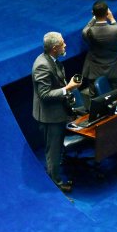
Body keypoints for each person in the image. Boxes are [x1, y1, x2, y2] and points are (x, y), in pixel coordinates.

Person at [32, 32, 82, 192]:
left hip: (58, 112)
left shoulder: (53, 60)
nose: (65, 45)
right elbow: (45, 95)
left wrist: (67, 86)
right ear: (55, 48)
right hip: (49, 117)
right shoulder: (42, 65)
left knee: (56, 148)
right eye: (62, 43)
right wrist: (68, 89)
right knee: (53, 151)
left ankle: (54, 174)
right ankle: (57, 184)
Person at [80, 0, 117, 93]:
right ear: (107, 13)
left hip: (94, 71)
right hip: (114, 69)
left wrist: (94, 18)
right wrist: (113, 19)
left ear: (93, 13)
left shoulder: (88, 32)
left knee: (95, 99)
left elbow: (85, 29)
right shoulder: (116, 29)